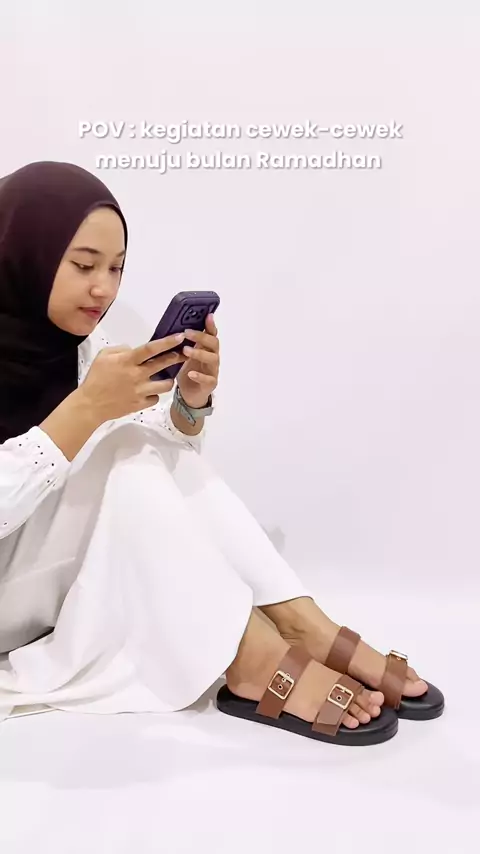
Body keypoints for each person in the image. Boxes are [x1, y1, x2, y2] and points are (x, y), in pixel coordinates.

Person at [0, 161, 443, 746]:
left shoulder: (80, 347)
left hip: (40, 580)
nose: (104, 289)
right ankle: (254, 657)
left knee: (131, 446)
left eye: (116, 267)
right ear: (21, 253)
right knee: (119, 443)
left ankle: (297, 620)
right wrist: (84, 412)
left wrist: (189, 403)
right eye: (83, 265)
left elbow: (150, 470)